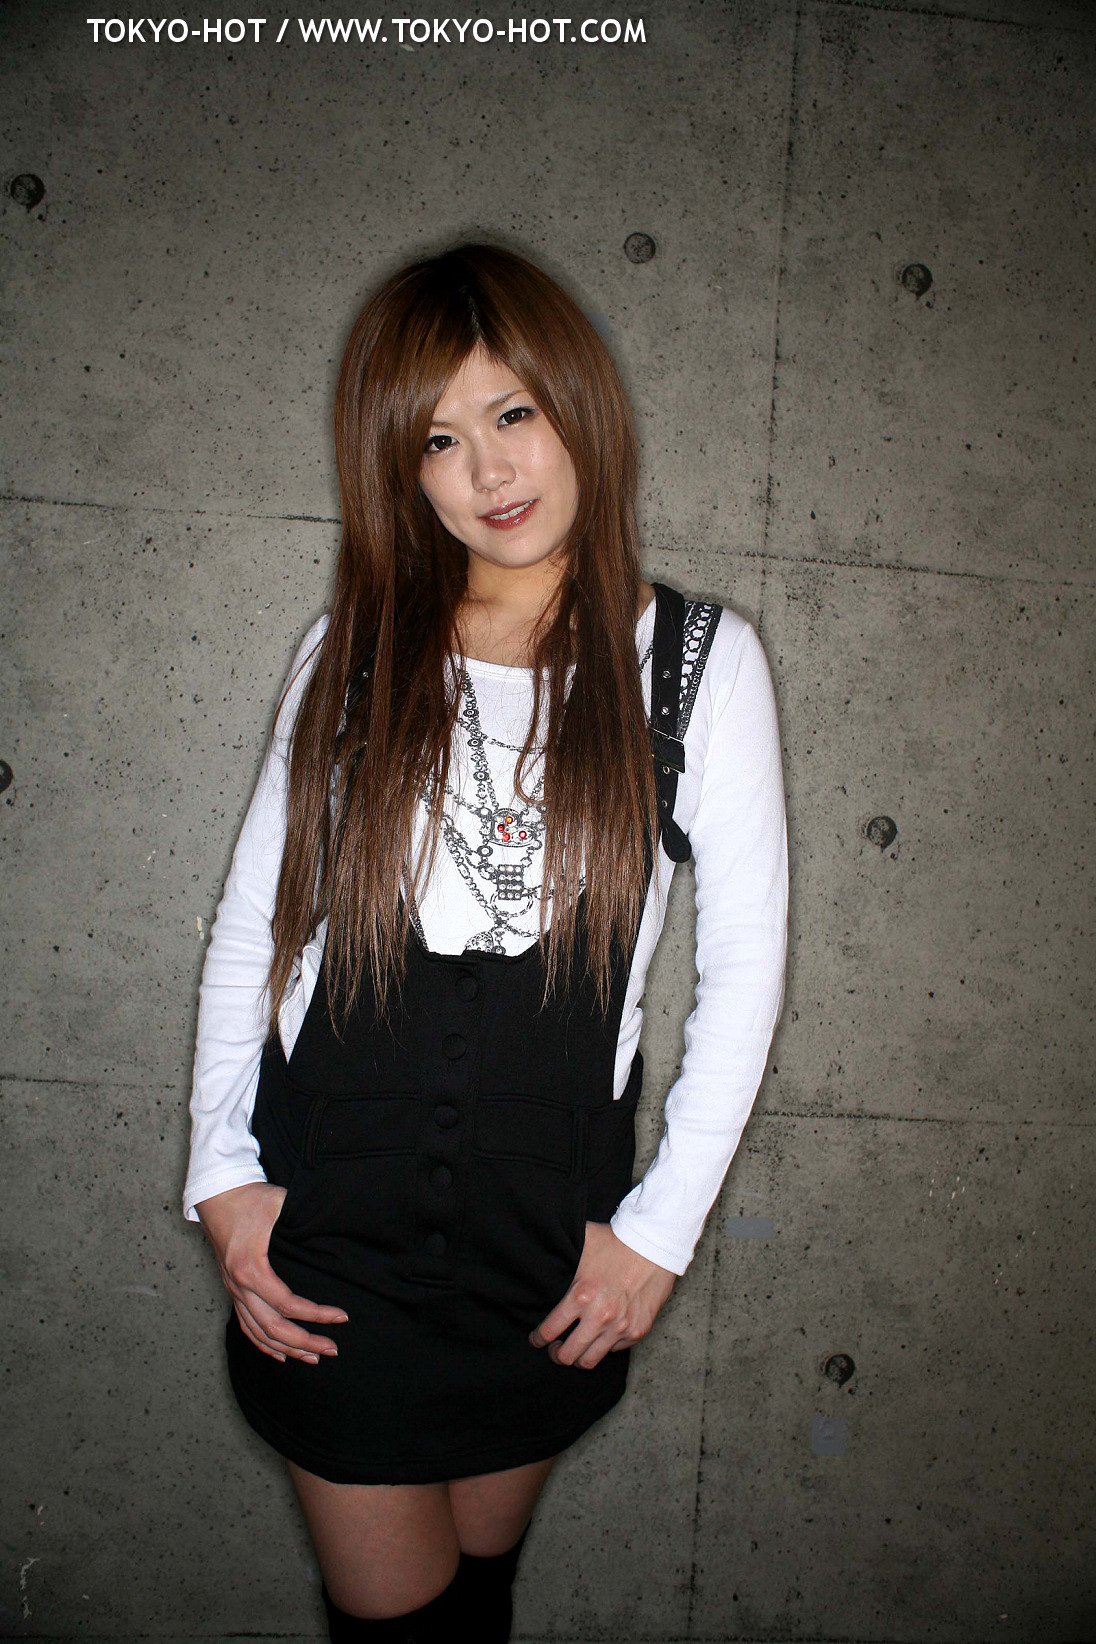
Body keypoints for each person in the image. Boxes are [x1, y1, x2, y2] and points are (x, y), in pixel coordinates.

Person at [182, 241, 788, 1641]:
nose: (488, 471)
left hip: (542, 1236)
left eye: (513, 413)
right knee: (392, 1614)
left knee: (478, 1587)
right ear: (401, 470)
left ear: (581, 404)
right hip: (337, 1224)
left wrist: (659, 1234)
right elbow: (255, 928)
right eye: (438, 440)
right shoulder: (355, 647)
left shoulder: (695, 665)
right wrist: (221, 1173)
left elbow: (746, 967)